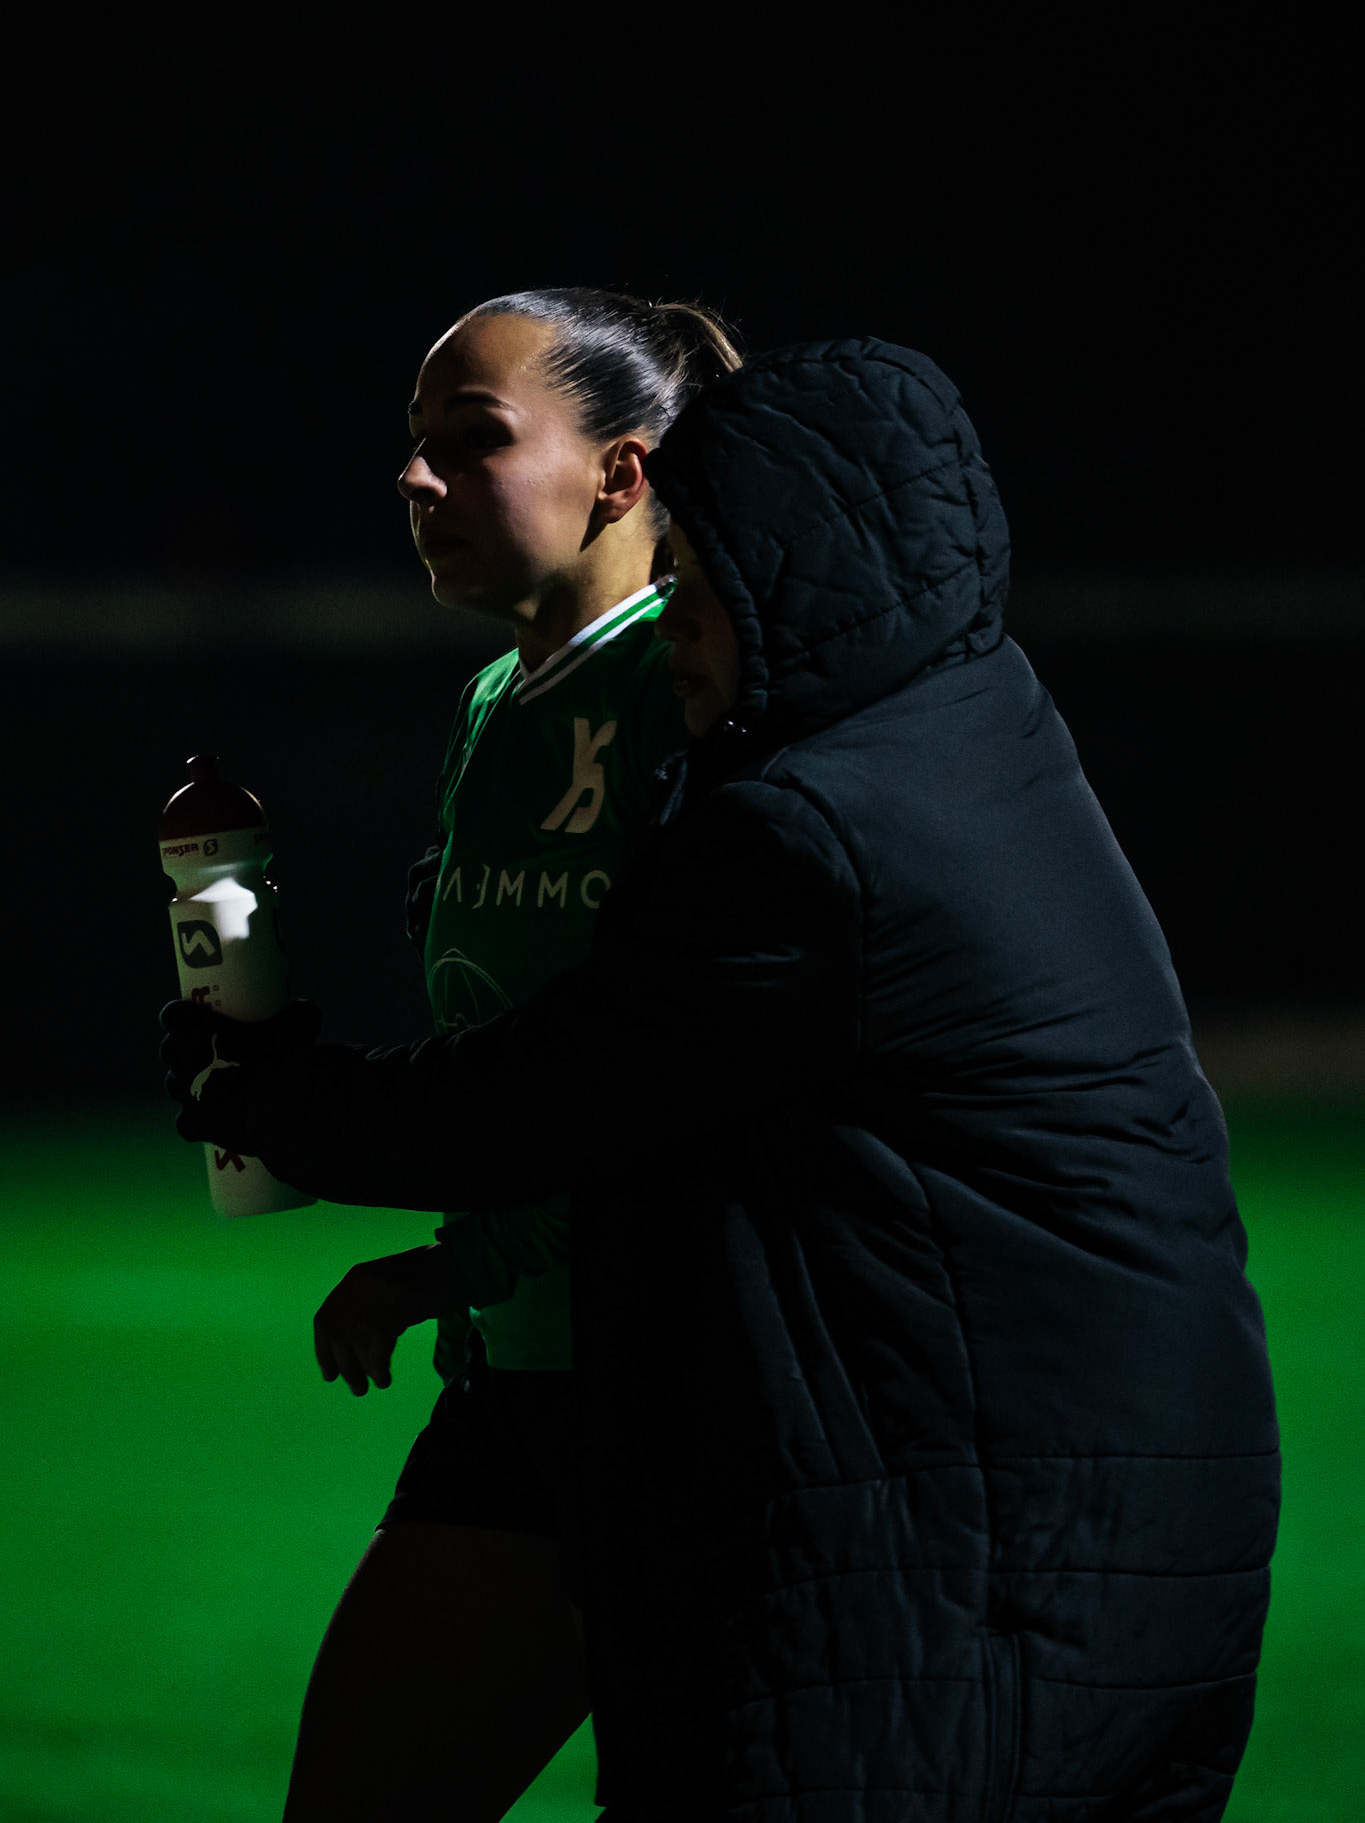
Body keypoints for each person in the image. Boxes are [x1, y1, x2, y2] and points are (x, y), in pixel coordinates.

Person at [165, 336, 1279, 1820]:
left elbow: (556, 1089)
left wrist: (264, 1096)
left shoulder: (811, 821)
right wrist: (466, 1264)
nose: (669, 613)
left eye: (692, 576)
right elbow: (682, 1109)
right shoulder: (938, 733)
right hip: (840, 1428)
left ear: (781, 568)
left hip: (929, 1484)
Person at [277, 286, 740, 1821]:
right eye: (414, 447)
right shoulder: (496, 697)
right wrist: (459, 1268)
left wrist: (450, 1247)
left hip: (689, 1398)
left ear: (621, 474)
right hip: (519, 1380)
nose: (417, 481)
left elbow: (672, 1071)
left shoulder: (696, 683)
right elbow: (533, 1064)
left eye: (470, 442)